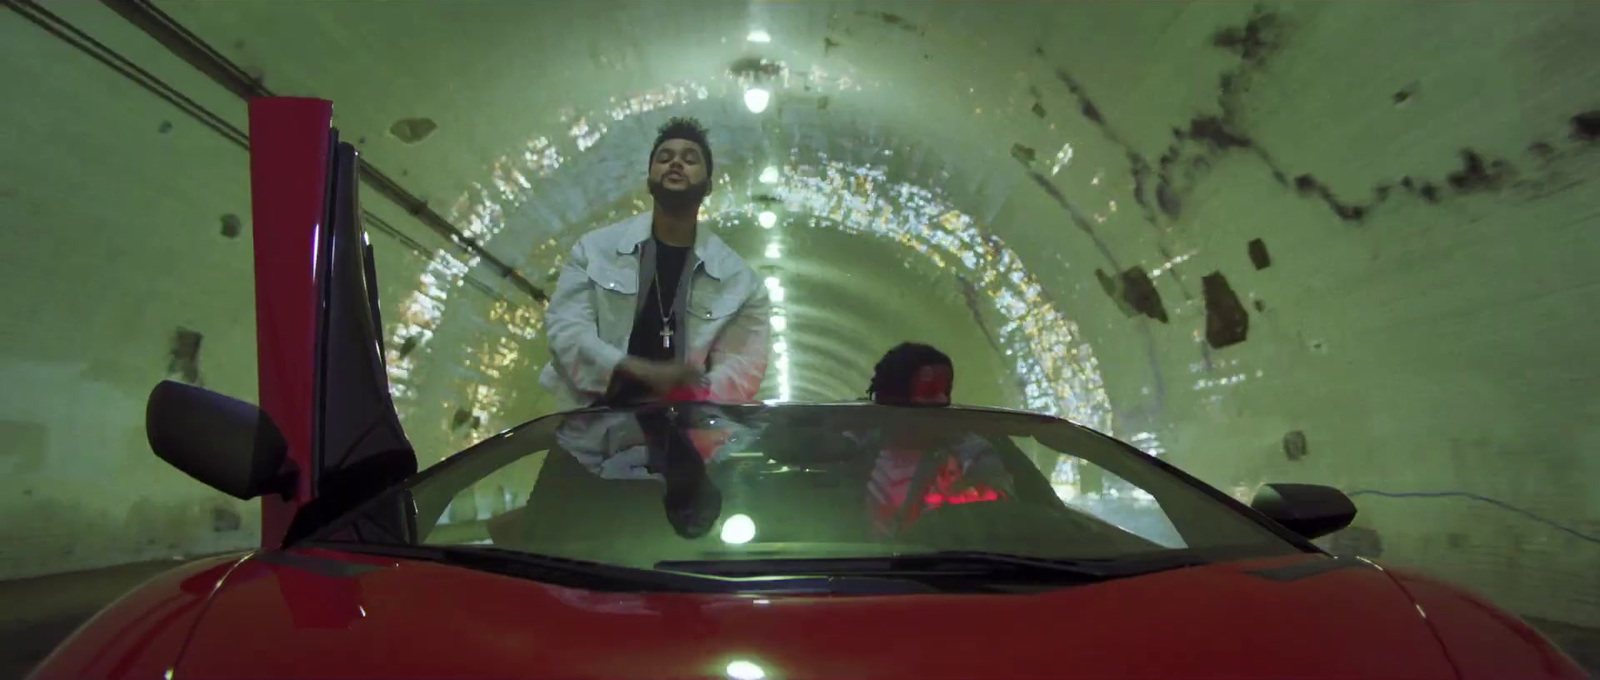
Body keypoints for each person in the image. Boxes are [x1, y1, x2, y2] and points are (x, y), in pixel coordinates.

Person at [539, 117, 770, 410]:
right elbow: (566, 331)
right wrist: (636, 370)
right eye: (664, 157)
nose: (675, 163)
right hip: (588, 426)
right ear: (649, 179)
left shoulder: (740, 282)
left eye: (689, 159)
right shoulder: (595, 250)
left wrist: (690, 394)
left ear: (708, 185)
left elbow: (743, 366)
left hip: (685, 437)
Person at [858, 343, 1014, 538]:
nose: (942, 401)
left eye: (946, 392)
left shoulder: (969, 455)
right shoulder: (853, 449)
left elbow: (1003, 512)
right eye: (929, 392)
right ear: (892, 397)